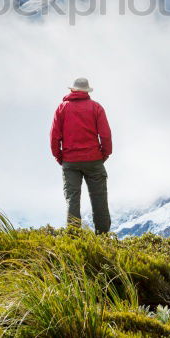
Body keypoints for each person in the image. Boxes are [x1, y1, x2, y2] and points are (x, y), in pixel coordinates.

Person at [49, 77, 112, 233]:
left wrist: (60, 157)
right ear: (87, 91)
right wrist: (104, 154)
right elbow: (105, 135)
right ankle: (103, 237)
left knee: (72, 200)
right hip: (94, 160)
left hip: (70, 161)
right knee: (99, 199)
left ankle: (73, 238)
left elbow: (54, 136)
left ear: (72, 90)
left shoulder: (61, 108)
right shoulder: (96, 108)